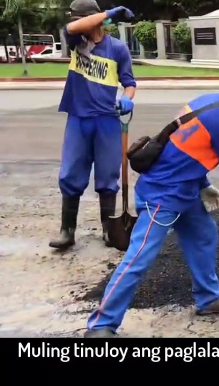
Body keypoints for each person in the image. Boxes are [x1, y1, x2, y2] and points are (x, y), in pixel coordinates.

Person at [83, 59, 219, 338]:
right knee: (138, 259)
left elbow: (184, 150)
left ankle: (209, 299)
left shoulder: (207, 102)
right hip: (162, 194)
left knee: (203, 234)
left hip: (185, 190)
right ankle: (101, 325)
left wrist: (203, 184)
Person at [50, 0, 136, 250]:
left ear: (93, 19)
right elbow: (75, 27)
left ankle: (109, 231)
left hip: (107, 120)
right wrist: (109, 13)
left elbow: (129, 83)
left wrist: (127, 99)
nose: (74, 23)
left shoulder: (118, 49)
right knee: (71, 173)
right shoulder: (76, 41)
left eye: (78, 18)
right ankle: (67, 231)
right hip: (78, 118)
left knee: (109, 175)